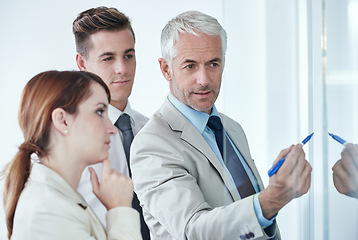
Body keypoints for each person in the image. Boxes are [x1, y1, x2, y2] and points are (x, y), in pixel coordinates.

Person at [130, 11, 312, 240]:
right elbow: (193, 230)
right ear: (166, 69)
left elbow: (249, 218)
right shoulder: (151, 144)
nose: (204, 79)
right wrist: (271, 199)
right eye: (190, 66)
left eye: (213, 63)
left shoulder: (232, 129)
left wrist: (273, 196)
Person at [2, 71, 141, 239]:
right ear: (62, 120)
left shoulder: (59, 199)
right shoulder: (49, 210)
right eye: (99, 112)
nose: (112, 129)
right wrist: (120, 209)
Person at [72, 6, 150, 239]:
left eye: (129, 55)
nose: (122, 69)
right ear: (82, 63)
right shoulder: (66, 141)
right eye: (108, 58)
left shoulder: (152, 130)